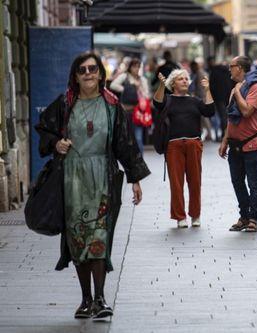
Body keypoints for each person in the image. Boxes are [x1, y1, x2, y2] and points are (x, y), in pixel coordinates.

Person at [36, 52, 150, 319]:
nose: (88, 73)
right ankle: (85, 299)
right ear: (75, 76)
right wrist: (56, 143)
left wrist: (134, 179)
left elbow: (125, 143)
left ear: (101, 73)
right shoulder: (65, 104)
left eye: (92, 69)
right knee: (77, 240)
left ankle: (99, 299)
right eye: (82, 70)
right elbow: (45, 128)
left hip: (102, 178)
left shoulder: (112, 106)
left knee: (98, 236)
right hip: (72, 179)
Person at [153, 69, 215, 228]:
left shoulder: (194, 101)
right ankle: (180, 217)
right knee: (176, 183)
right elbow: (157, 103)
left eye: (187, 79)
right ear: (173, 83)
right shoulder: (168, 99)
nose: (185, 81)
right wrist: (161, 85)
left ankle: (195, 215)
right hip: (174, 146)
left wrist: (207, 90)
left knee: (195, 182)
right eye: (181, 79)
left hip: (194, 144)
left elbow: (209, 111)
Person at [219, 56, 257, 233]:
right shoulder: (236, 87)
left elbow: (247, 111)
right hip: (234, 144)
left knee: (253, 182)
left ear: (240, 68)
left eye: (231, 66)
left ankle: (253, 219)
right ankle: (244, 216)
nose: (229, 70)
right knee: (237, 182)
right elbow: (231, 117)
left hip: (251, 145)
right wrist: (224, 140)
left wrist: (236, 93)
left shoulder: (255, 87)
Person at [109, 58, 151, 153]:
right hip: (126, 111)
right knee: (125, 138)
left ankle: (140, 162)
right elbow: (113, 85)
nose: (136, 69)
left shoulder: (142, 79)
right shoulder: (125, 76)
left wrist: (139, 88)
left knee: (138, 138)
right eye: (134, 66)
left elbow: (147, 95)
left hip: (138, 112)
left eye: (138, 67)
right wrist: (125, 89)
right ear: (130, 67)